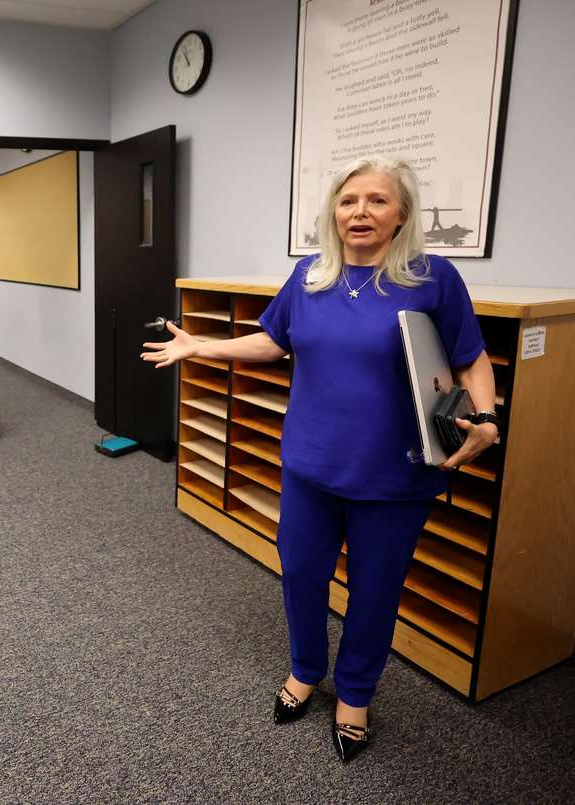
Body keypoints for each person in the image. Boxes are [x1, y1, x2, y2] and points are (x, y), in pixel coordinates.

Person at [139, 155, 498, 762]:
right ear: (333, 211)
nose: (360, 211)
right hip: (310, 465)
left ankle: (355, 695)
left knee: (375, 591)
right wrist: (202, 344)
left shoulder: (432, 278)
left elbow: (470, 357)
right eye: (348, 200)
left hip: (395, 473)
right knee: (302, 576)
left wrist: (486, 418)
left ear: (401, 213)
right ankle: (306, 671)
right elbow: (273, 341)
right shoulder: (310, 275)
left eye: (377, 200)